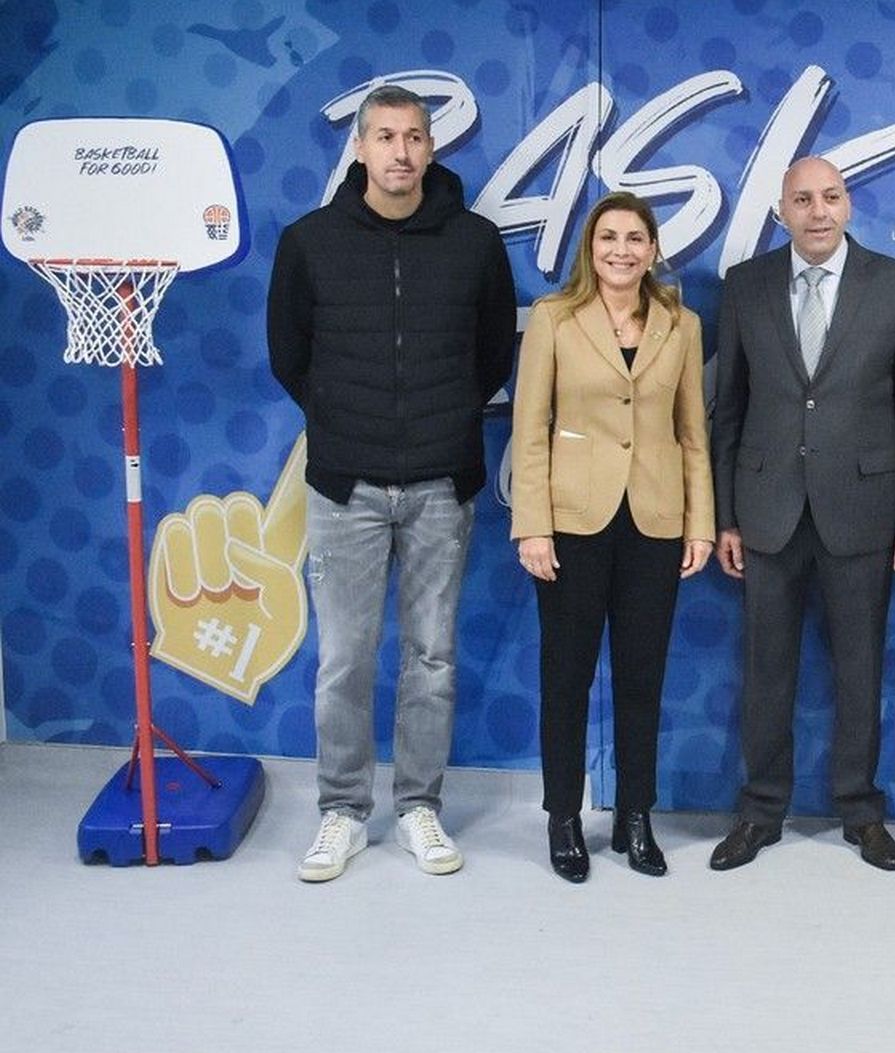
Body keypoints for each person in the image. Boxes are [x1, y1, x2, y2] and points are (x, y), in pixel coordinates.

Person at [267, 84, 516, 882]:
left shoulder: (475, 242)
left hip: (443, 483)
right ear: (361, 148)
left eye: (413, 137)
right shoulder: (309, 241)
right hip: (346, 487)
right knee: (344, 658)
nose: (400, 152)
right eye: (385, 137)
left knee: (431, 655)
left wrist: (442, 420)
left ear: (431, 147)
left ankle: (418, 807)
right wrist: (347, 422)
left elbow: (493, 355)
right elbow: (289, 355)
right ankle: (342, 811)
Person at [707, 156, 895, 873]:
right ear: (781, 210)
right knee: (766, 669)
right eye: (802, 199)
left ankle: (861, 812)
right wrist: (725, 516)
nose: (817, 212)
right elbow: (728, 410)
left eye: (830, 197)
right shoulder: (744, 286)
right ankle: (760, 810)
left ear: (849, 205)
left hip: (864, 511)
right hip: (766, 510)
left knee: (860, 669)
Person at [510, 192, 714, 883]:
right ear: (589, 249)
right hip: (572, 524)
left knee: (641, 679)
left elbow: (693, 432)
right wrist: (533, 525)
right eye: (608, 238)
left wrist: (700, 523)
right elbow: (529, 429)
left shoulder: (681, 324)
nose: (621, 250)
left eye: (634, 239)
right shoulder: (554, 318)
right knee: (566, 678)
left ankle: (635, 816)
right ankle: (563, 818)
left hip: (654, 522)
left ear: (653, 250)